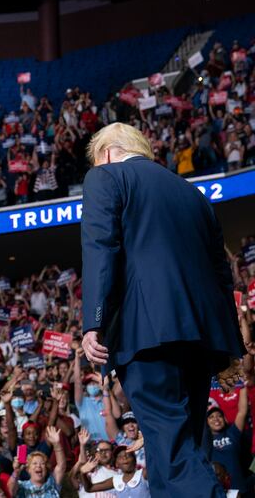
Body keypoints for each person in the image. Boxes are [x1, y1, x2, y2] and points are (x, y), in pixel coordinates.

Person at [80, 122, 245, 497]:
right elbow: (223, 275)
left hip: (146, 334)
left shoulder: (105, 177)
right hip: (201, 337)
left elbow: (100, 249)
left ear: (105, 154)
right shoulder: (194, 194)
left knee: (171, 448)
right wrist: (231, 349)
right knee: (179, 445)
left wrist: (94, 322)